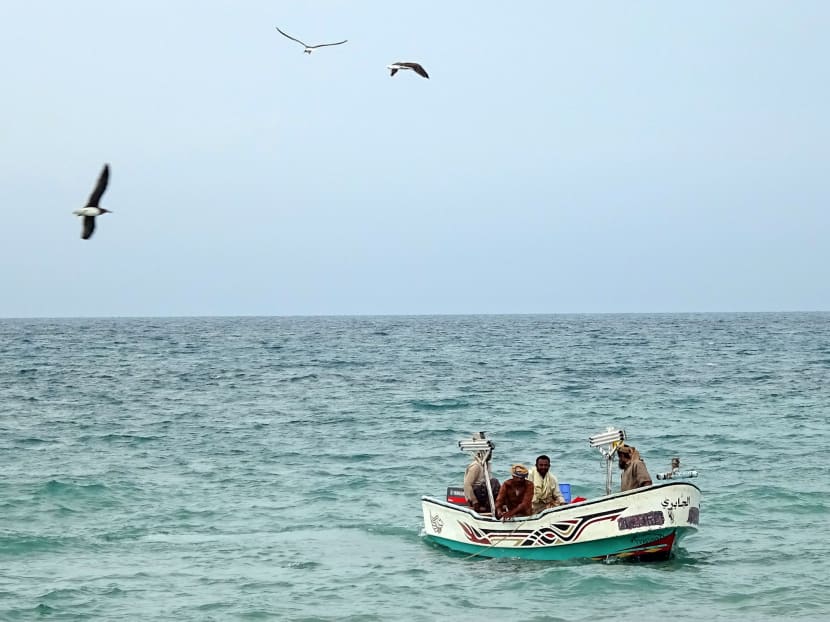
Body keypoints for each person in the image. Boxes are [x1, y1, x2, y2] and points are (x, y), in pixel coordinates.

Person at [463, 448, 500, 513]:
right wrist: (474, 501)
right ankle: (488, 507)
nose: (490, 455)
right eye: (487, 453)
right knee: (494, 482)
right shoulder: (476, 466)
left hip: (483, 494)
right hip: (475, 495)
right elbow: (467, 485)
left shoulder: (486, 465)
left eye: (490, 453)